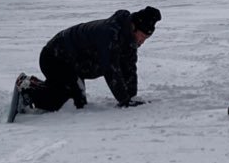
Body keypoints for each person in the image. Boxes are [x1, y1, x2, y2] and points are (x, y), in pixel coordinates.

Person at [14, 6, 162, 113]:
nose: (142, 41)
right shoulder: (111, 34)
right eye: (142, 36)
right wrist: (124, 101)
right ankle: (27, 87)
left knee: (77, 103)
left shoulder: (129, 40)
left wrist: (131, 97)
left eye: (146, 38)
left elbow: (129, 68)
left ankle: (41, 86)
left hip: (74, 65)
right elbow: (111, 70)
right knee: (67, 104)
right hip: (55, 57)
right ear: (133, 26)